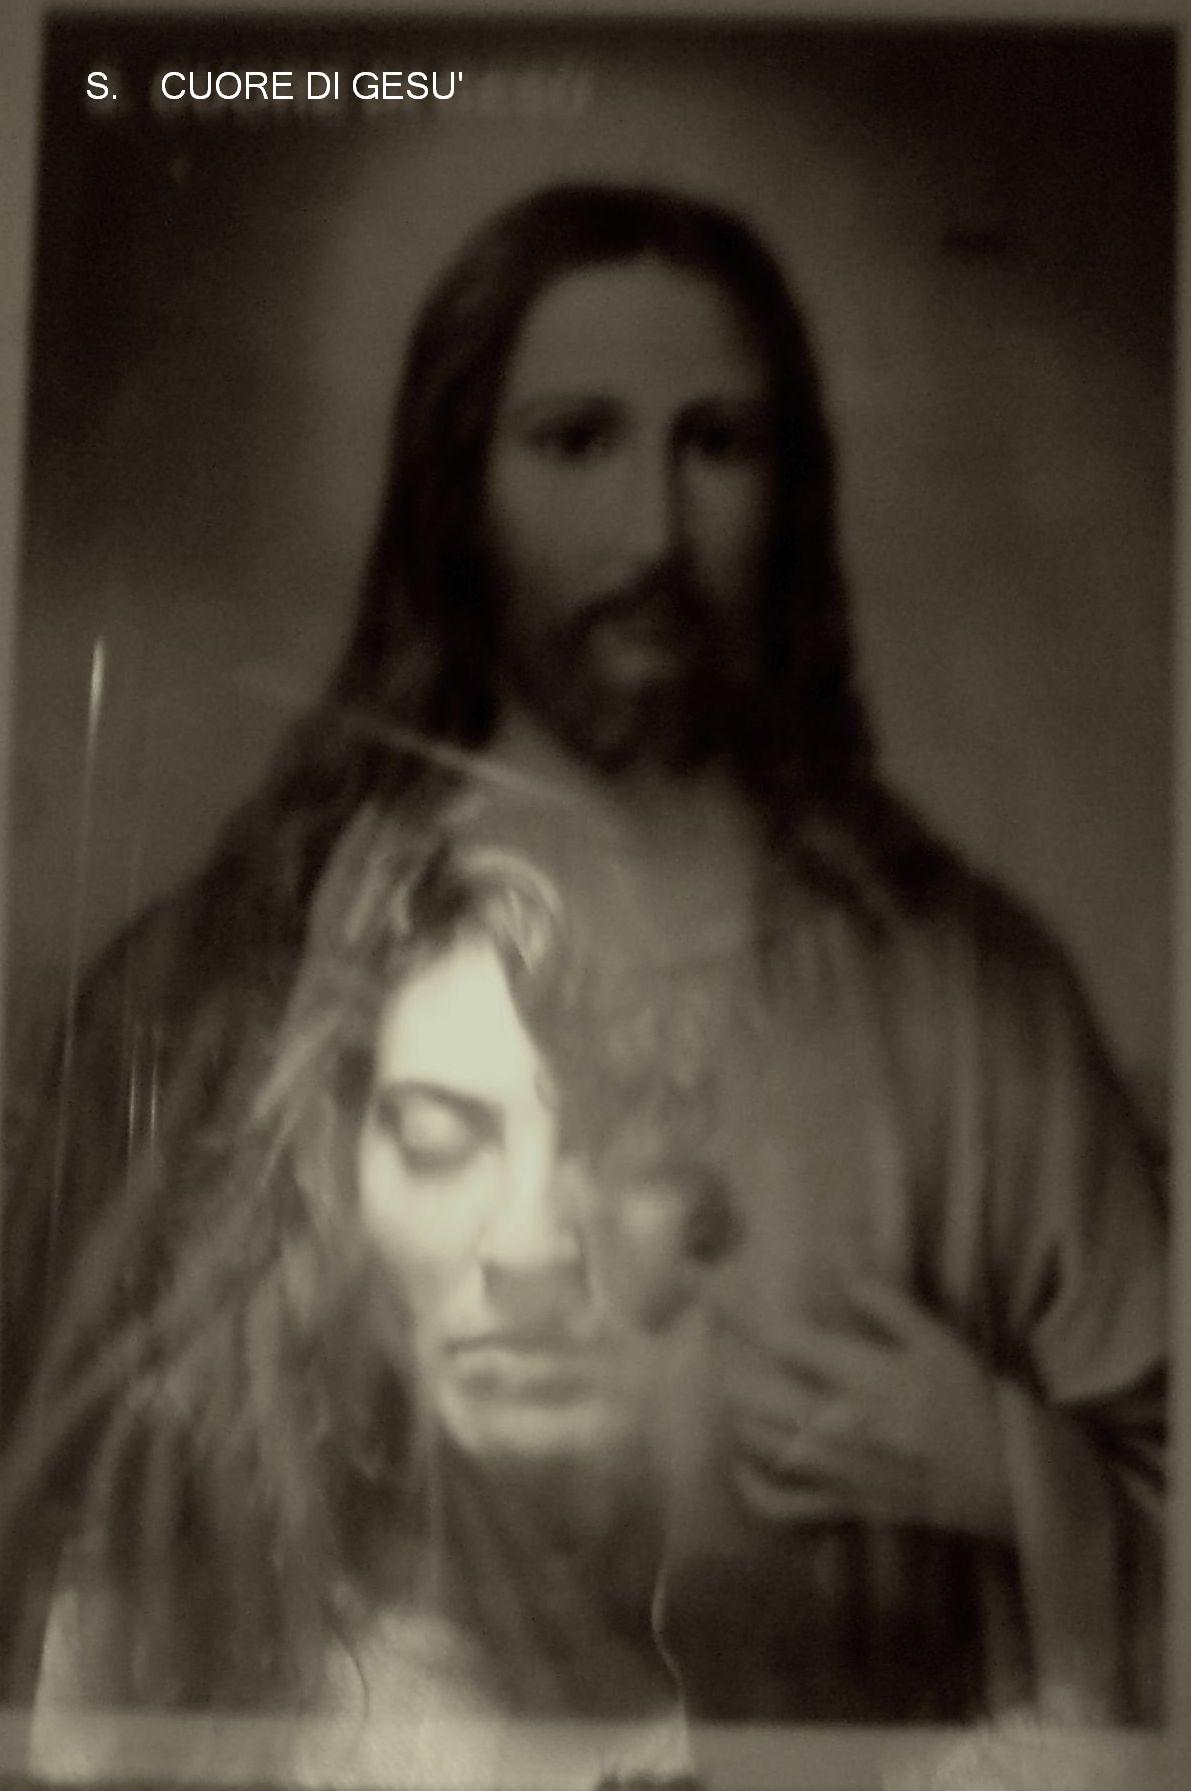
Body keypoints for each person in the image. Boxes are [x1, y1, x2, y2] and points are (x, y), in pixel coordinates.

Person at [2, 183, 1165, 1729]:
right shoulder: (237, 969)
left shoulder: (970, 1001)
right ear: (456, 486)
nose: (652, 533)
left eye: (715, 444)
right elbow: (67, 1502)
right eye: (574, 440)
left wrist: (1011, 1470)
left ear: (790, 490)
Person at [6, 821, 734, 1785]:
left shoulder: (810, 1605)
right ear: (333, 1172)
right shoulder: (158, 1603)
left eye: (612, 1148)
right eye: (439, 1140)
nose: (528, 1244)